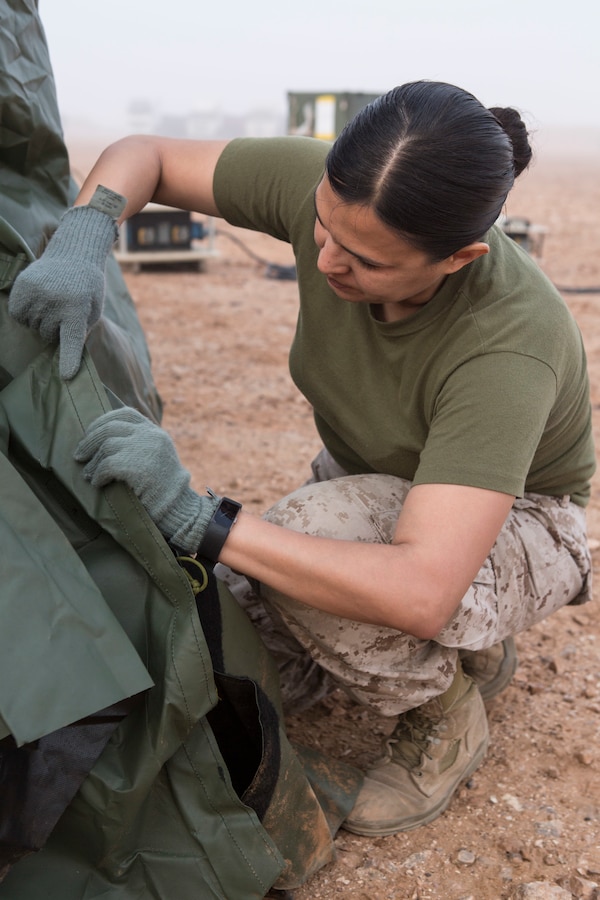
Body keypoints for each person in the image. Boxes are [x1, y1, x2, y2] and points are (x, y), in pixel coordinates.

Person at [9, 80, 594, 836]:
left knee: (316, 546)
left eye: (366, 262)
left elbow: (417, 590)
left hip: (517, 524)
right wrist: (83, 238)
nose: (325, 261)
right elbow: (142, 154)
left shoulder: (509, 341)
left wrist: (200, 517)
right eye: (320, 227)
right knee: (230, 656)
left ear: (460, 258)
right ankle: (473, 644)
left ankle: (441, 711)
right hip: (371, 487)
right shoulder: (341, 197)